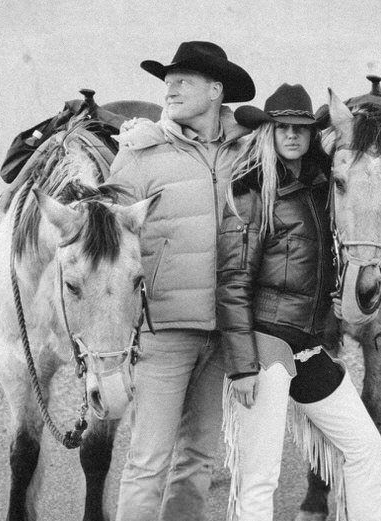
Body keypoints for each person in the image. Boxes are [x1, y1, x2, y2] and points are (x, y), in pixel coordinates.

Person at [217, 84, 381, 521]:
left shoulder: (319, 186)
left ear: (312, 134)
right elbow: (232, 283)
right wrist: (240, 366)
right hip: (266, 347)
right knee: (259, 477)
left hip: (308, 346)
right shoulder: (250, 191)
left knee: (364, 445)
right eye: (283, 127)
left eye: (301, 128)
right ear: (268, 131)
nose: (292, 135)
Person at [107, 41, 257, 521]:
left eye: (183, 81)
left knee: (197, 461)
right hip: (164, 330)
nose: (169, 88)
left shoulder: (248, 152)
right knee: (148, 461)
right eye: (167, 81)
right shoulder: (141, 152)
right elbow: (109, 242)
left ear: (216, 91)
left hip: (224, 330)